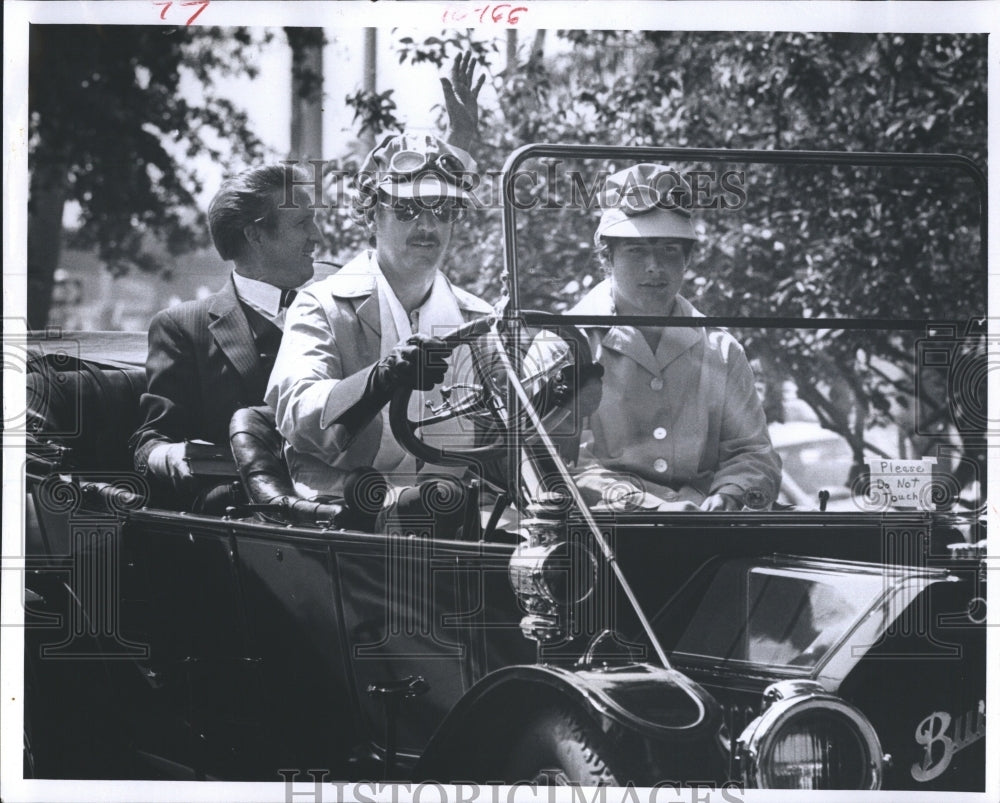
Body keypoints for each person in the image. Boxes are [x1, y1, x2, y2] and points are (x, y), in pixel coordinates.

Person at [266, 133, 492, 502]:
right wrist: (378, 380)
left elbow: (506, 435)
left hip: (455, 513)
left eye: (443, 211)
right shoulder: (321, 304)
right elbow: (299, 414)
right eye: (406, 210)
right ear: (371, 215)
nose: (427, 226)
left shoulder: (478, 318)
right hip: (344, 514)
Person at [564, 163, 782, 511]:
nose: (655, 266)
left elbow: (753, 452)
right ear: (608, 257)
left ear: (687, 259)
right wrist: (652, 505)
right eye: (636, 250)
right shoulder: (568, 344)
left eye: (669, 250)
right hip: (603, 540)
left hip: (708, 537)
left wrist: (729, 495)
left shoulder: (720, 349)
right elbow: (559, 462)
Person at [130, 164, 321, 508]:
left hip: (345, 507)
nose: (317, 235)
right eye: (301, 223)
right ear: (255, 235)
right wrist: (174, 456)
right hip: (244, 521)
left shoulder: (335, 309)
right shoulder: (183, 326)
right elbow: (151, 441)